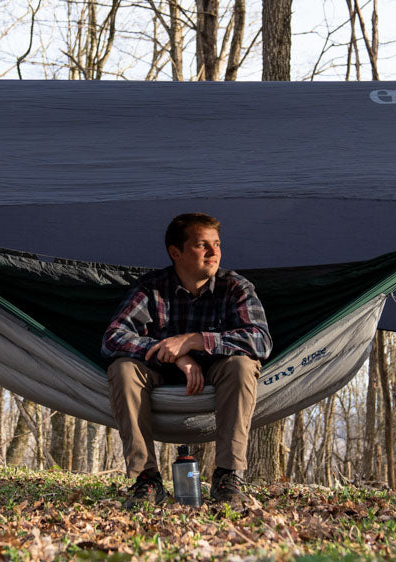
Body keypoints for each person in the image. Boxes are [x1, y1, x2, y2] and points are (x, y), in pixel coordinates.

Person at [101, 212, 272, 507]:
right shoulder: (151, 288)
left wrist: (194, 341)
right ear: (175, 252)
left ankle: (227, 476)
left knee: (243, 365)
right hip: (160, 371)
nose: (213, 252)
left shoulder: (236, 288)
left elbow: (260, 340)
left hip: (219, 370)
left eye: (216, 244)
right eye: (201, 245)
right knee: (123, 369)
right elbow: (113, 337)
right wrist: (175, 355)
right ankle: (146, 479)